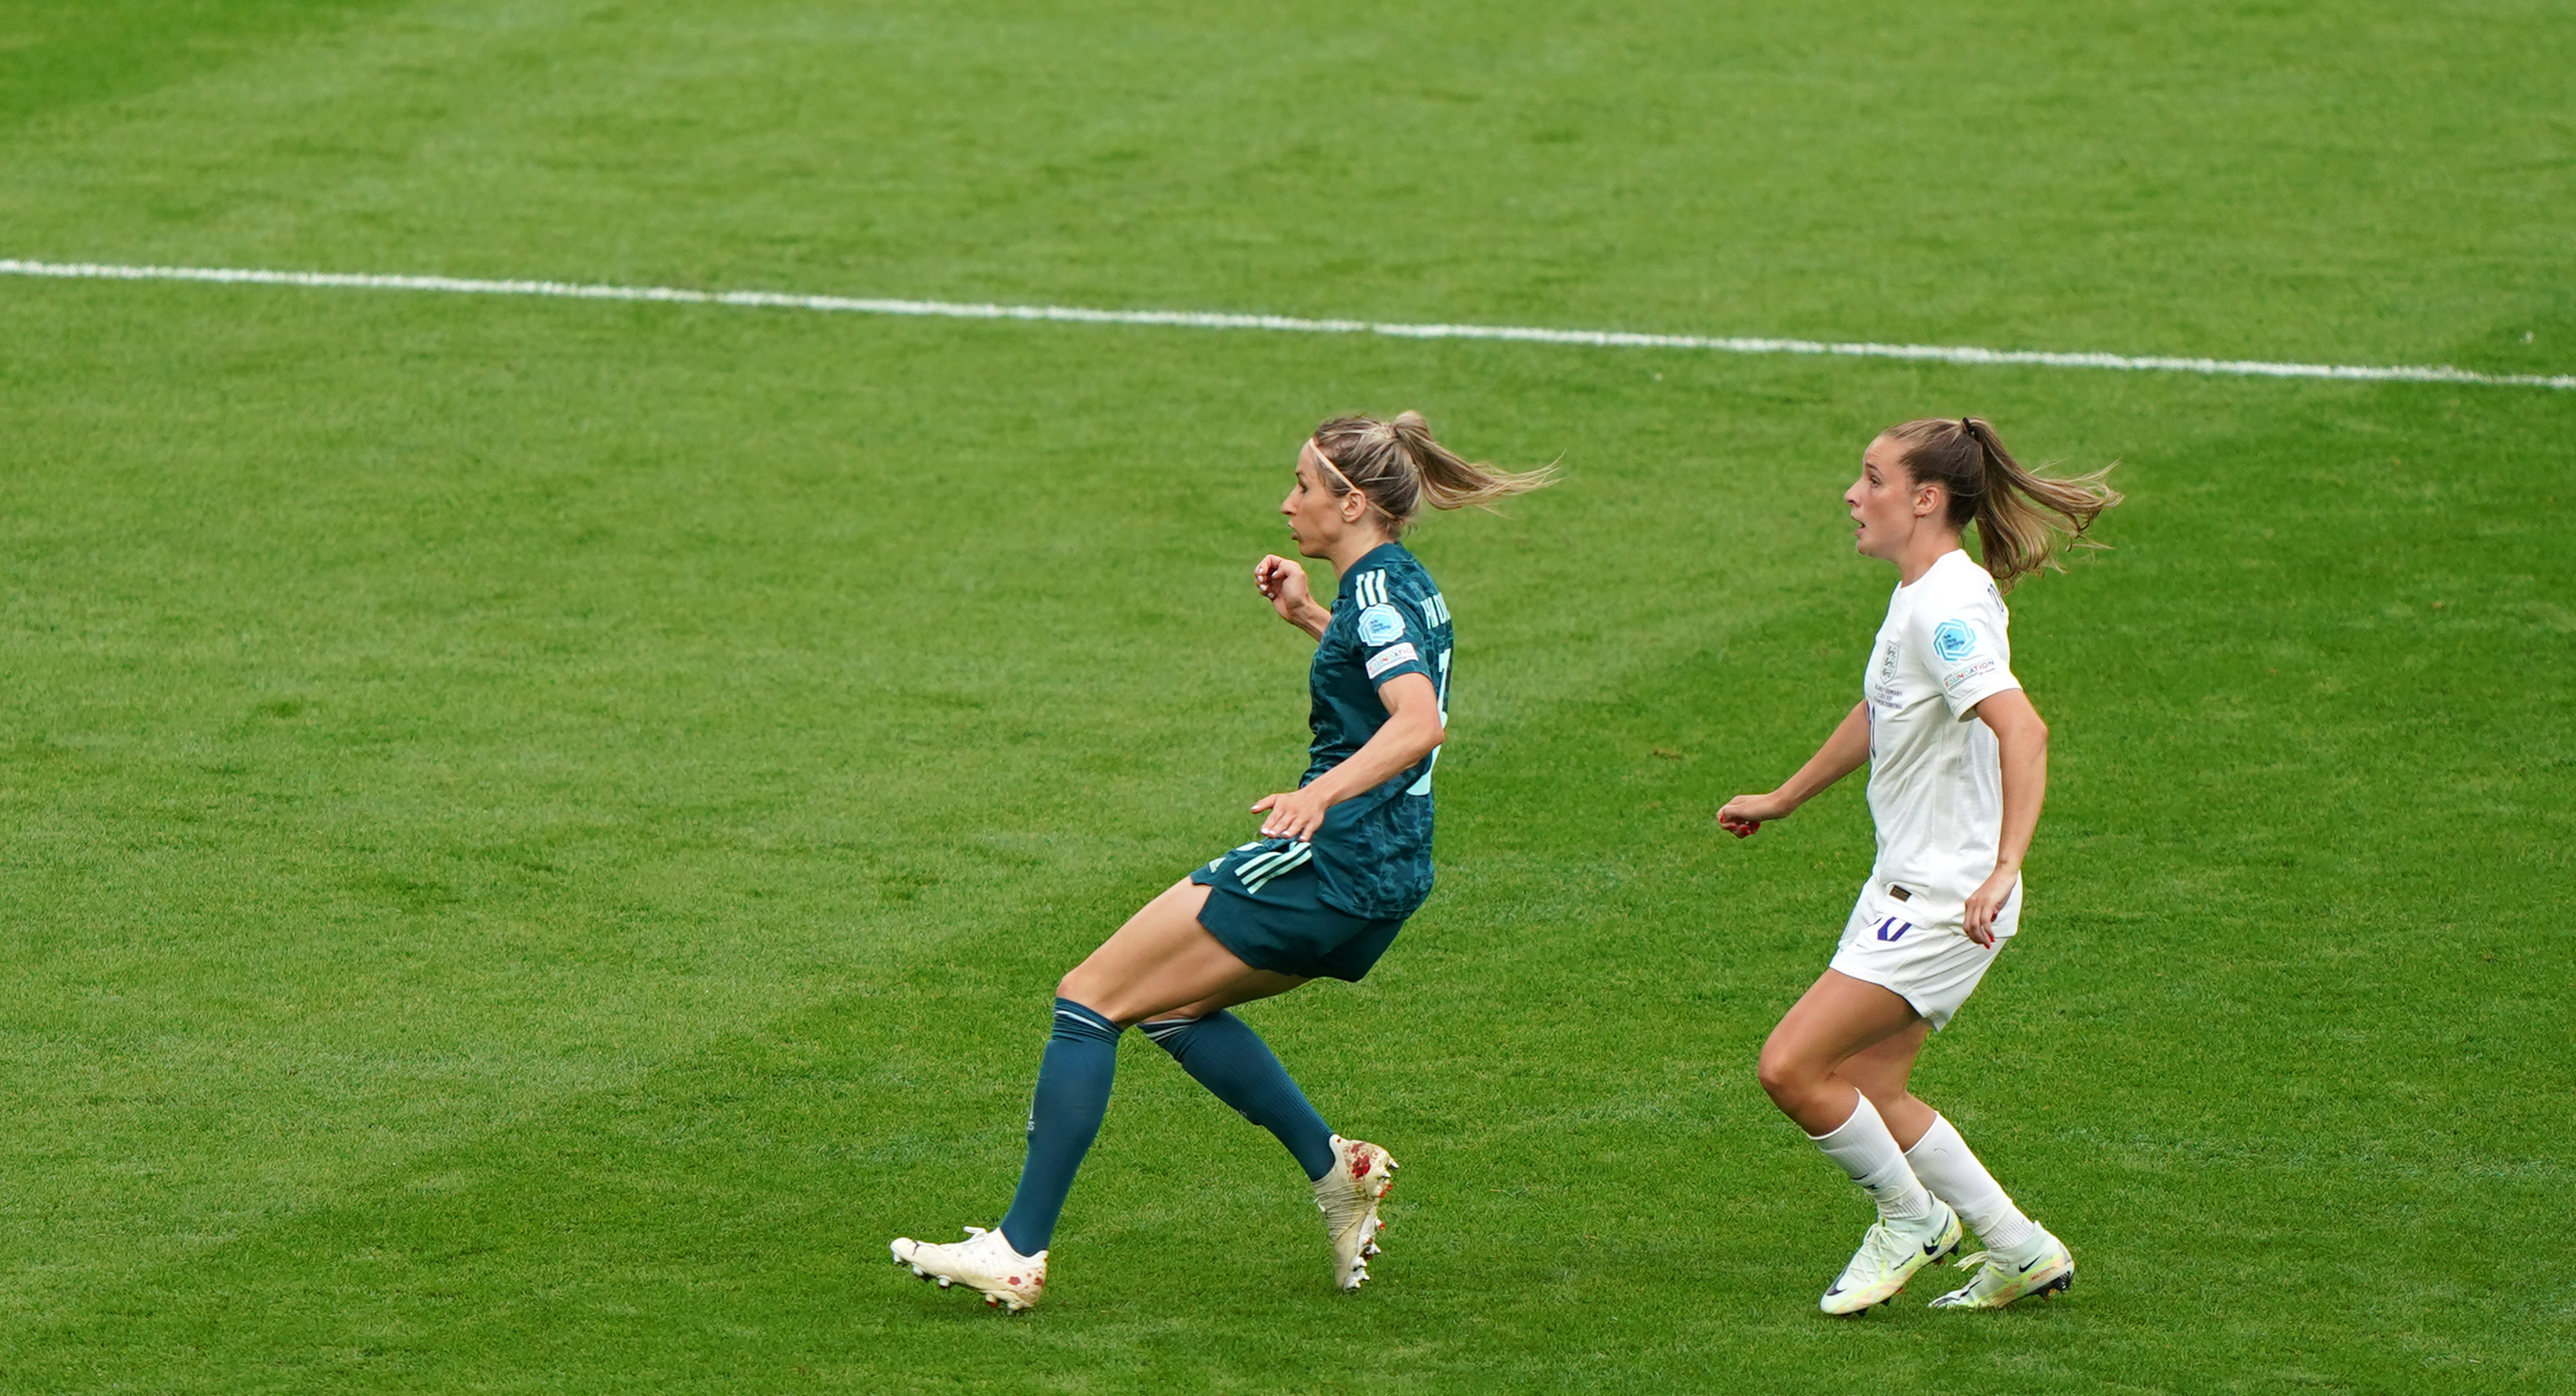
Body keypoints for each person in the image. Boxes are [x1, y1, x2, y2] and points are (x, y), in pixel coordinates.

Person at [891, 412, 1557, 1312]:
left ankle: (1019, 1250)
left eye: (1304, 488)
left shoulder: (1381, 598)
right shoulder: (1391, 587)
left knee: (1089, 997)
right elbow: (1382, 677)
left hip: (1338, 861)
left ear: (1352, 502)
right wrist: (1308, 616)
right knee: (1170, 1008)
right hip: (1383, 871)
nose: (1288, 505)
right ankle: (1339, 1170)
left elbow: (1418, 721)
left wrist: (1319, 797)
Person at [1716, 416, 2117, 1316]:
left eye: (1872, 480)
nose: (1853, 496)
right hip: (1912, 883)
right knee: (1872, 1086)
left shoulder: (1944, 607)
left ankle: (1911, 1219)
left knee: (1790, 1067)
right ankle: (2020, 1249)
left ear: (1926, 499)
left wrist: (2004, 865)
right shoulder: (1926, 591)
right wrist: (1785, 796)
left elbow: (2026, 729)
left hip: (1943, 899)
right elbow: (1882, 708)